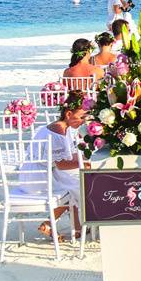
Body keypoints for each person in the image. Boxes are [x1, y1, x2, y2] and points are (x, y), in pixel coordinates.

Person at [23, 91, 87, 240]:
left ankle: (76, 228)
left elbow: (68, 156)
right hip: (38, 176)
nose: (83, 121)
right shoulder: (58, 131)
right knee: (76, 187)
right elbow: (62, 164)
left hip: (45, 171)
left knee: (76, 182)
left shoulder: (64, 127)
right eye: (81, 117)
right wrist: (85, 162)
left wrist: (84, 157)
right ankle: (50, 224)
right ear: (69, 114)